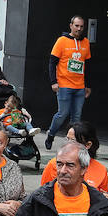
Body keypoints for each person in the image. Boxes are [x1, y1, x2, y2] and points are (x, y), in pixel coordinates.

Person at [44, 16, 92, 148]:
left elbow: (86, 65)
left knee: (76, 117)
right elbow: (52, 62)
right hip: (64, 85)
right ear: (71, 25)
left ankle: (72, 143)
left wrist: (87, 85)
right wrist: (53, 82)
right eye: (76, 26)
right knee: (62, 113)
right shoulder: (62, 41)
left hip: (79, 86)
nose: (79, 29)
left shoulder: (86, 42)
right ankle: (51, 134)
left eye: (81, 26)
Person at [44, 121, 108, 194]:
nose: (68, 144)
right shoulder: (54, 164)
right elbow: (42, 196)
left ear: (88, 145)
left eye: (73, 141)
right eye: (67, 139)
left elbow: (103, 199)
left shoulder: (101, 170)